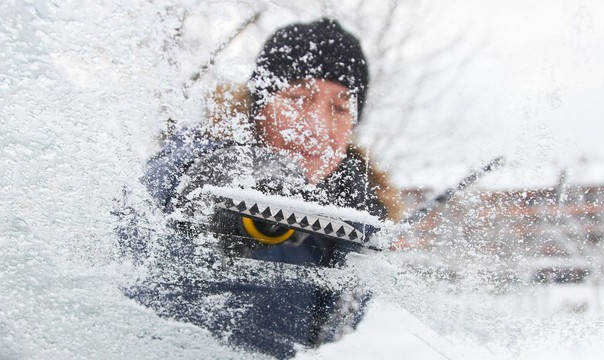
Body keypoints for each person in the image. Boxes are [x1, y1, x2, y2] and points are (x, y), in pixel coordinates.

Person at [126, 18, 401, 358]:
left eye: (340, 108)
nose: (317, 127)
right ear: (258, 107)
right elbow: (180, 196)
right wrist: (256, 186)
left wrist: (360, 232)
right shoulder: (197, 163)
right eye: (299, 98)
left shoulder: (352, 218)